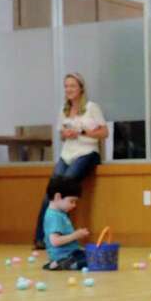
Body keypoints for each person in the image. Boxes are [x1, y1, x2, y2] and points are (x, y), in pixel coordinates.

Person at [34, 73, 105, 251]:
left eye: (72, 86)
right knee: (51, 192)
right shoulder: (64, 110)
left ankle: (63, 235)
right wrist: (65, 134)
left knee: (64, 188)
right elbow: (61, 134)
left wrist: (81, 132)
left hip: (87, 153)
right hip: (67, 154)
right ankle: (41, 238)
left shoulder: (91, 107)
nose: (69, 89)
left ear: (81, 88)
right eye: (66, 86)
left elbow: (104, 133)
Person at [41, 175, 90, 271]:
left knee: (90, 255)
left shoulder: (59, 213)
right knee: (91, 260)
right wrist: (75, 235)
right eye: (72, 201)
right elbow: (55, 241)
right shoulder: (54, 216)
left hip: (70, 253)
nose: (74, 205)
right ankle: (57, 263)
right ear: (58, 197)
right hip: (64, 256)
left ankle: (58, 263)